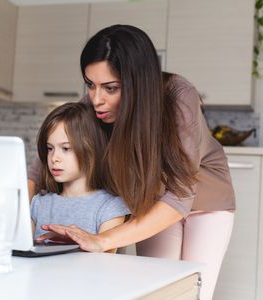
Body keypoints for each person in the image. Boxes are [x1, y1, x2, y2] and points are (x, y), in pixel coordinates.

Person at [28, 25, 235, 300]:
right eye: (90, 84)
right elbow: (38, 168)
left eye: (111, 88)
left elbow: (180, 196)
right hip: (152, 201)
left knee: (194, 291)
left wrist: (102, 240)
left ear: (137, 82)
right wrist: (17, 219)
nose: (97, 99)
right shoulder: (93, 103)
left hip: (205, 204)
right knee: (157, 290)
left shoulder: (178, 97)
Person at [30, 102, 130, 253]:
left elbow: (106, 262)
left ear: (91, 150)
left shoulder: (110, 207)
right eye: (50, 148)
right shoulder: (38, 204)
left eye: (66, 148)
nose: (54, 158)